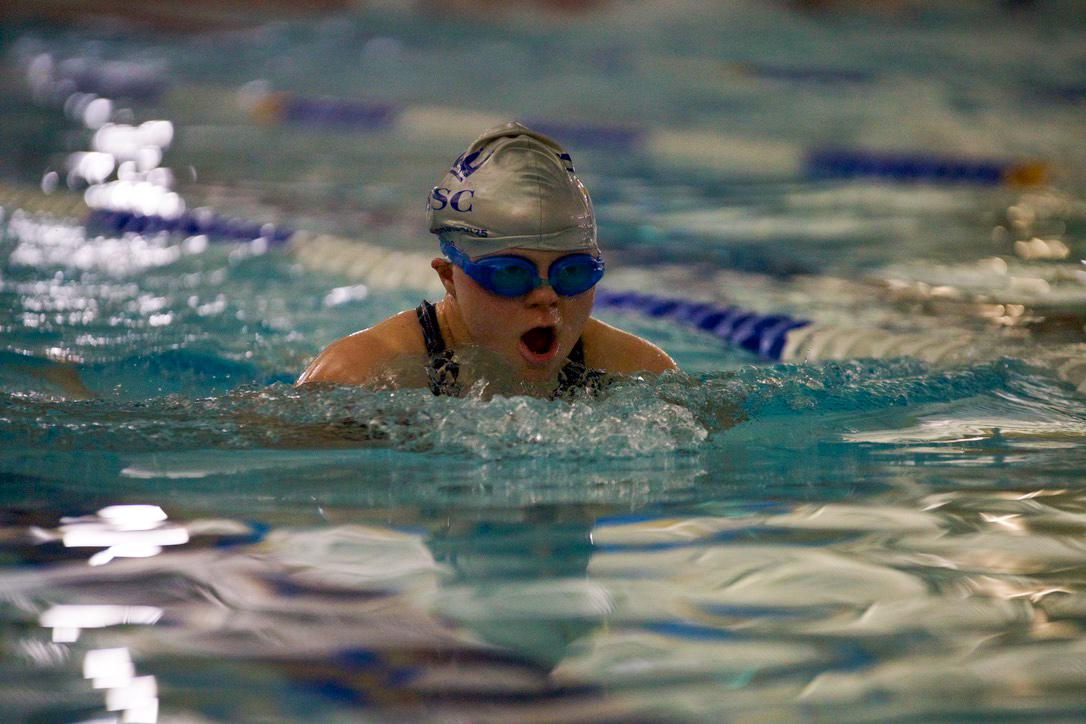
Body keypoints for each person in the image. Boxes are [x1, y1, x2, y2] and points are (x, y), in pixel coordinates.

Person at [296, 121, 676, 397]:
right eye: (512, 274)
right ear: (449, 278)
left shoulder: (638, 372)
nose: (546, 296)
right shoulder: (358, 376)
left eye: (571, 273)